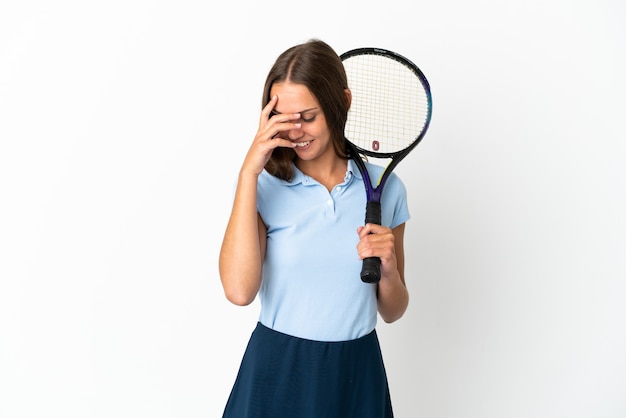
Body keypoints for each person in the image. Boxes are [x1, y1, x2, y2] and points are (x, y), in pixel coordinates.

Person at [219, 39, 410, 418]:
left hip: (357, 371)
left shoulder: (385, 189)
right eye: (283, 119)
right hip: (278, 370)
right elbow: (239, 292)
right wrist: (247, 173)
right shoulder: (263, 187)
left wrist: (387, 268)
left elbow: (393, 310)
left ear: (342, 101)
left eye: (307, 116)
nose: (295, 132)